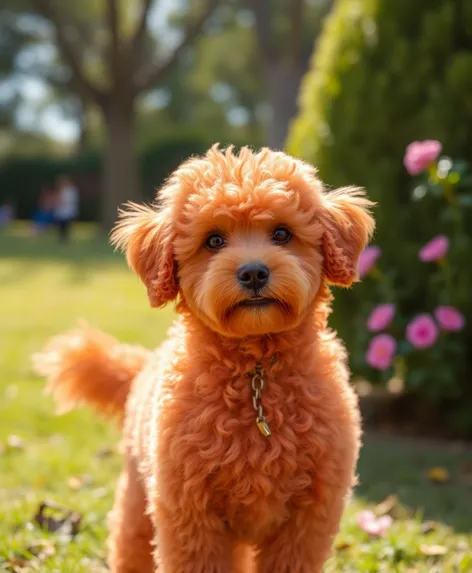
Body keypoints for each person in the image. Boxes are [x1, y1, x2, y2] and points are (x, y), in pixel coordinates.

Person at [54, 176, 79, 242]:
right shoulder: (62, 191)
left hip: (67, 212)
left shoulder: (70, 191)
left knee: (65, 227)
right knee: (62, 227)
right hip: (62, 212)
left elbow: (65, 201)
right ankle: (62, 238)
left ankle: (64, 238)